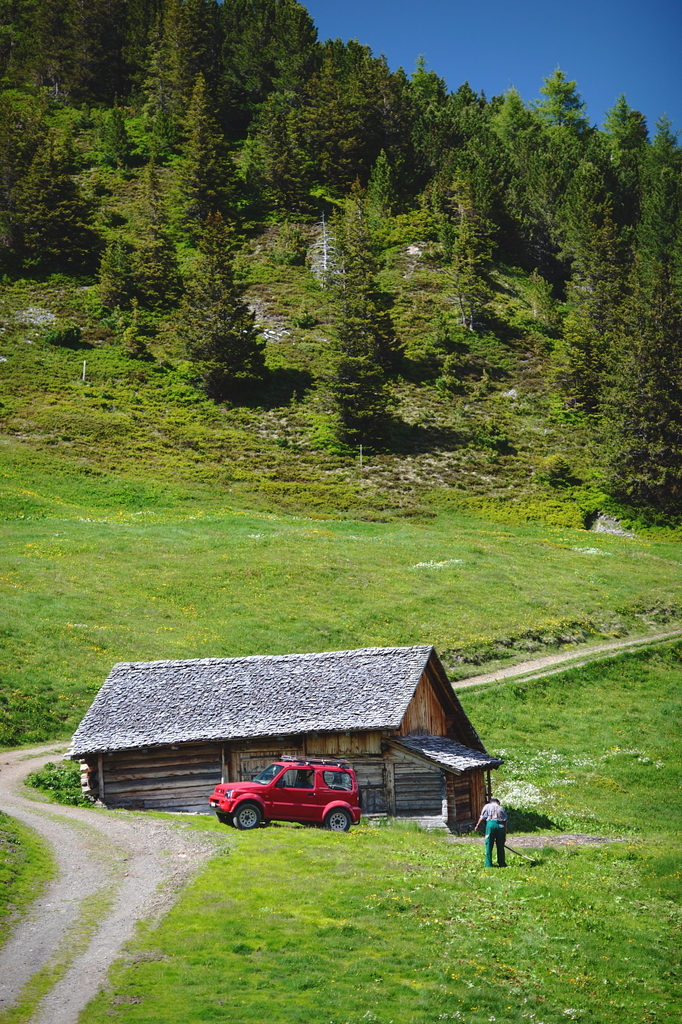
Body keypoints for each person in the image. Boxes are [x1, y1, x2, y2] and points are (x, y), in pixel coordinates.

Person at [475, 797, 508, 867]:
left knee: (489, 844)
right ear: (497, 802)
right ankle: (502, 863)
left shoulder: (487, 806)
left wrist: (477, 825)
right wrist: (504, 835)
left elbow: (482, 817)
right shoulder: (501, 808)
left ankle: (488, 864)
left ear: (491, 802)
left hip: (491, 825)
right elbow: (505, 822)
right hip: (500, 826)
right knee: (500, 845)